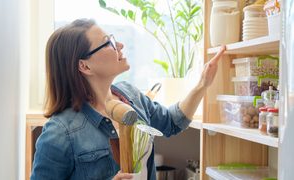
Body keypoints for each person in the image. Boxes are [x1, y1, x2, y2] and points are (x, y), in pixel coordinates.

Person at [31, 19, 226, 180]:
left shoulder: (131, 96)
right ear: (85, 66)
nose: (120, 45)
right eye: (108, 43)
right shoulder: (60, 132)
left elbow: (172, 122)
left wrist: (202, 83)